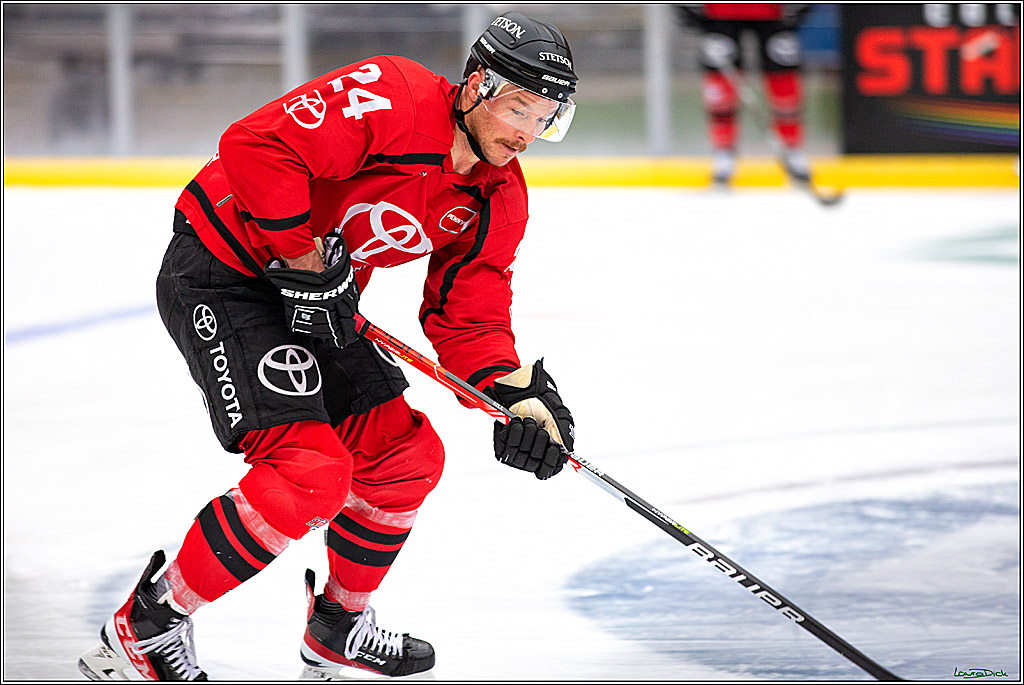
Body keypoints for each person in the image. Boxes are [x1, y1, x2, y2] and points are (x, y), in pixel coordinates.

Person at [77, 10, 578, 681]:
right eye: (519, 106)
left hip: (316, 305)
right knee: (310, 473)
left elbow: (467, 315)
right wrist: (307, 263)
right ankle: (143, 629)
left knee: (406, 456)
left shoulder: (496, 198)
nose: (528, 132)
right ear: (475, 84)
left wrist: (516, 397)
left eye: (545, 116)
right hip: (225, 275)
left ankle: (339, 627)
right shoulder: (394, 97)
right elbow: (255, 146)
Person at [677, 4, 813, 185]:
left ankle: (792, 148)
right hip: (721, 11)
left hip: (775, 11)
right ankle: (723, 152)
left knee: (783, 77)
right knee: (720, 80)